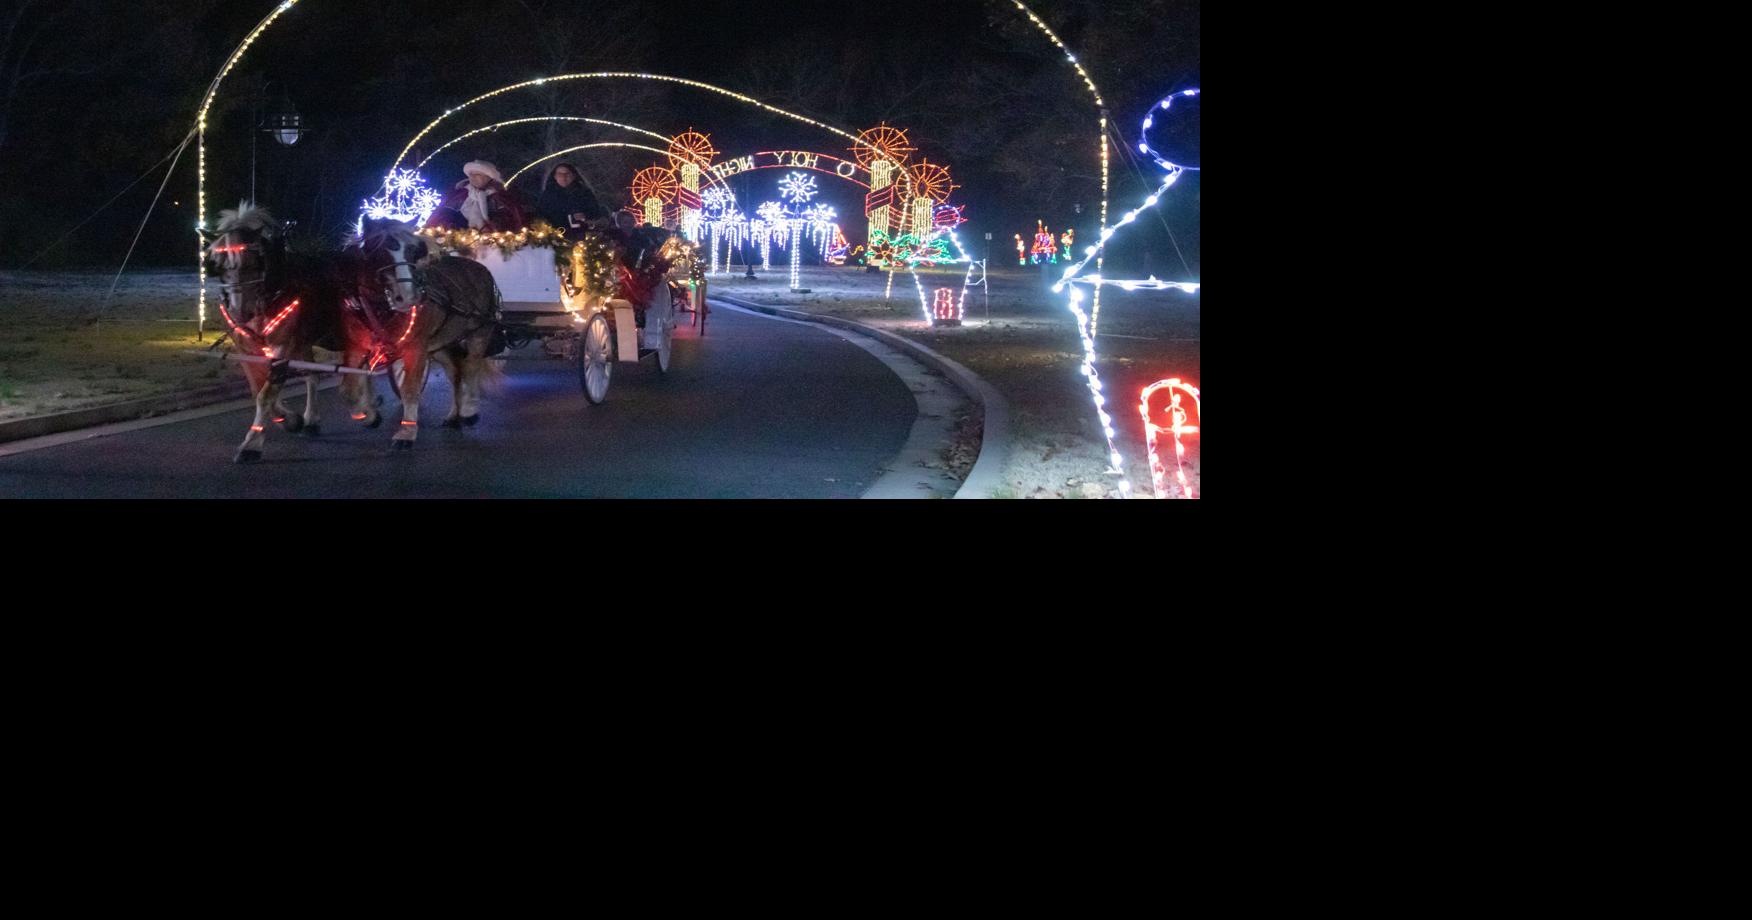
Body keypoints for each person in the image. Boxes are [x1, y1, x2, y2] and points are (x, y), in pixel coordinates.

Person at [426, 161, 527, 232]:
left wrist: (492, 227)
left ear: (488, 177)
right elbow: (443, 215)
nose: (472, 177)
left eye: (477, 174)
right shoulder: (460, 194)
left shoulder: (501, 196)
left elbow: (512, 220)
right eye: (471, 175)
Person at [533, 163, 608, 236]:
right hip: (555, 237)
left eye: (567, 174)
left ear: (573, 175)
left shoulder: (584, 193)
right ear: (555, 176)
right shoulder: (548, 195)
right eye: (560, 174)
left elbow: (595, 212)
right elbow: (540, 216)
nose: (564, 177)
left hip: (583, 236)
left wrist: (585, 216)